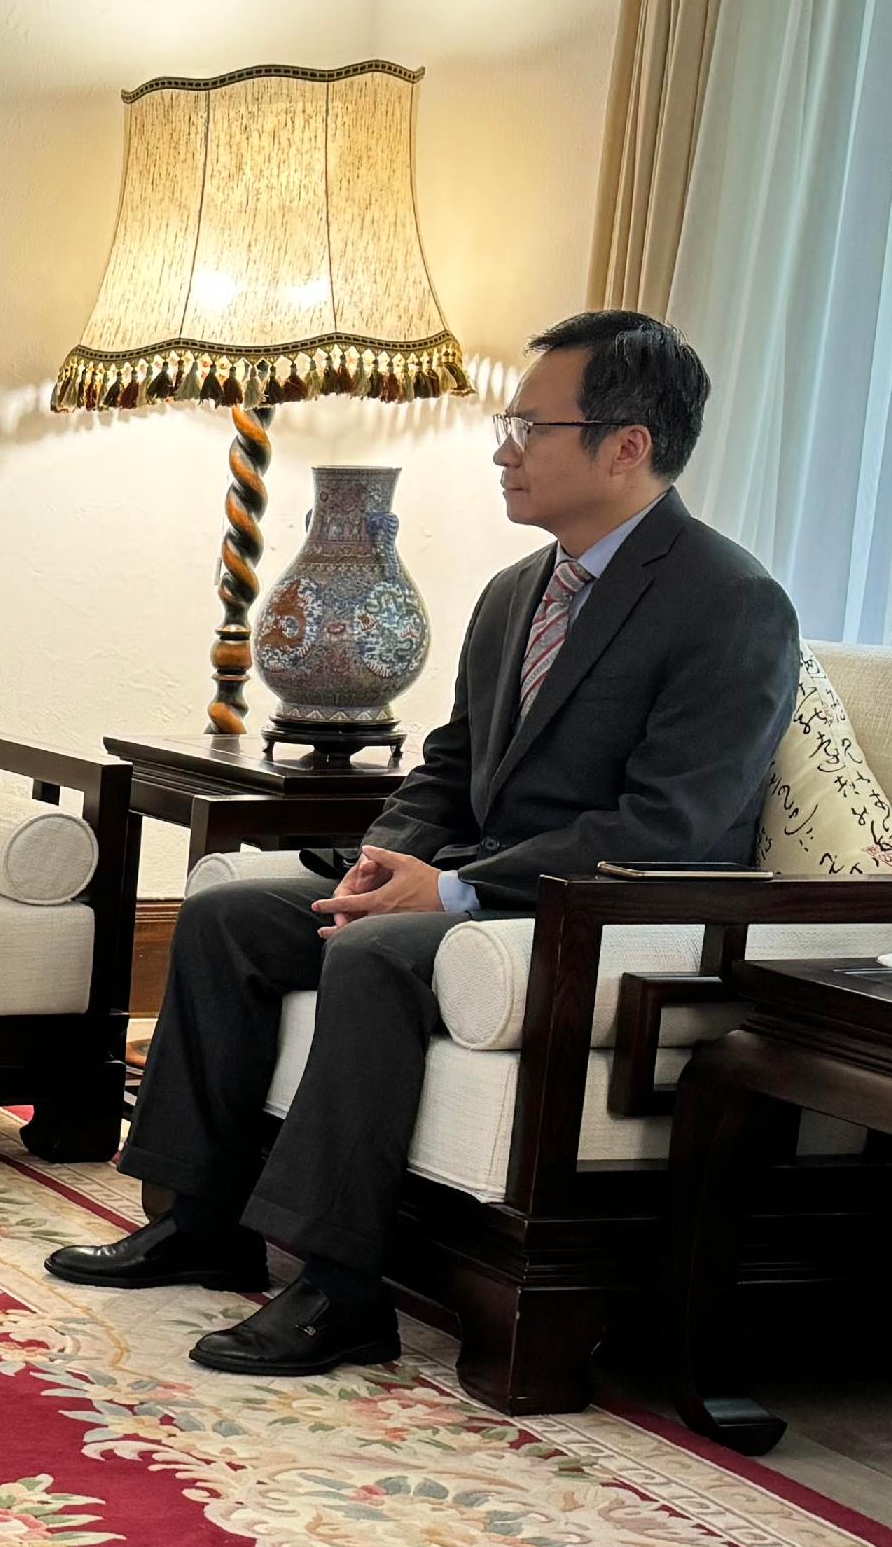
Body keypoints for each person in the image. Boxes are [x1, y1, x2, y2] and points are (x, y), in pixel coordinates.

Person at [49, 311, 800, 1376]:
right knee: (225, 915)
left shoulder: (729, 603)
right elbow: (448, 763)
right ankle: (199, 1223)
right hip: (476, 883)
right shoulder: (516, 590)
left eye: (529, 426)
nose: (502, 448)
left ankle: (339, 1290)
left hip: (599, 909)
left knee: (373, 952)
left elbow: (668, 825)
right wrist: (385, 858)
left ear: (626, 445)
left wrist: (448, 893)